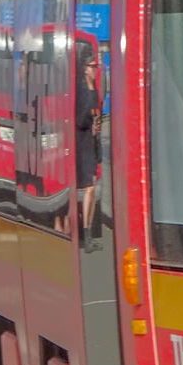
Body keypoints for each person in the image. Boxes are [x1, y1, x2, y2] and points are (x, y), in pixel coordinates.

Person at [75, 43, 102, 251]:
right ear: (85, 68)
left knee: (90, 188)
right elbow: (81, 119)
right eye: (93, 66)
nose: (96, 70)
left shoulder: (92, 90)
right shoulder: (84, 90)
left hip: (89, 145)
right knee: (90, 188)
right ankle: (86, 234)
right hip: (82, 143)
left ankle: (86, 233)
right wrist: (92, 120)